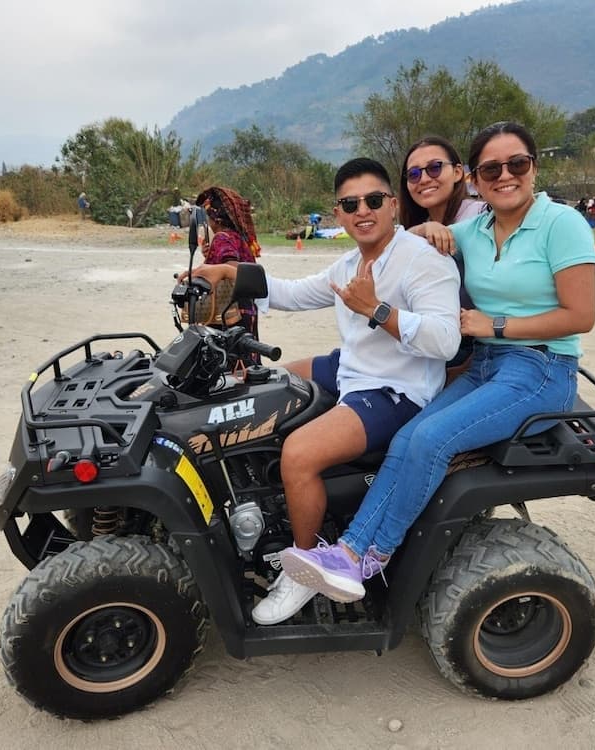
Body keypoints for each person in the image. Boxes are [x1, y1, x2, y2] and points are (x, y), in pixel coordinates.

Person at [280, 121, 595, 603]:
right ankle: (348, 552)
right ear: (474, 178)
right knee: (408, 436)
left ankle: (368, 554)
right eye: (491, 169)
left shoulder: (561, 223)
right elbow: (409, 242)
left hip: (541, 367)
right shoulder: (475, 229)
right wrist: (428, 227)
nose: (505, 175)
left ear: (534, 167)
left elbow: (580, 317)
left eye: (517, 163)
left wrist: (493, 325)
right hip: (486, 364)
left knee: (431, 438)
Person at [185, 158, 461, 624]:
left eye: (373, 200)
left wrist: (377, 310)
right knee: (263, 385)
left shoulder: (423, 261)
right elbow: (292, 292)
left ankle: (305, 568)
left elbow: (446, 340)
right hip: (352, 367)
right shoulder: (350, 263)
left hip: (397, 388)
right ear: (338, 213)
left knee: (299, 454)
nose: (363, 211)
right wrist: (228, 273)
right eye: (350, 204)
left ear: (393, 204)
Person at [398, 135, 488, 379]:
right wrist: (423, 229)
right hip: (437, 336)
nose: (424, 179)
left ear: (458, 172)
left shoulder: (479, 215)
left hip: (474, 342)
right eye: (414, 174)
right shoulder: (418, 226)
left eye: (435, 168)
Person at [193, 186, 262, 360]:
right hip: (245, 309)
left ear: (216, 219)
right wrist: (210, 256)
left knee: (228, 361)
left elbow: (232, 268)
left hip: (229, 313)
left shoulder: (222, 238)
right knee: (246, 358)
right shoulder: (237, 237)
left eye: (208, 217)